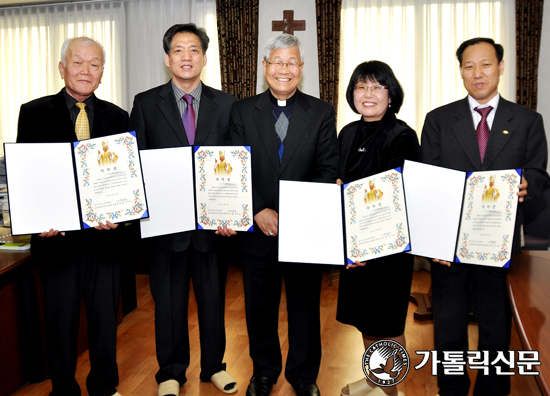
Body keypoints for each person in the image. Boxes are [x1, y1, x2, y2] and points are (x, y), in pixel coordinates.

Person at [421, 37, 550, 396]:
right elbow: (428, 184)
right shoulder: (439, 120)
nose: (477, 73)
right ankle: (452, 388)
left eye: (486, 64)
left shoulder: (527, 120)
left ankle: (494, 389)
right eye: (469, 66)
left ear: (501, 67)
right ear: (460, 71)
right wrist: (433, 239)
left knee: (496, 324)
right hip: (449, 244)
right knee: (448, 324)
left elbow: (539, 173)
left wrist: (529, 184)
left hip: (499, 241)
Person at [228, 33, 339, 396]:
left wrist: (293, 212)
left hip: (303, 230)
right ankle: (263, 373)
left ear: (302, 69)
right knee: (259, 308)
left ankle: (304, 376)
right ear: (264, 67)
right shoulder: (242, 111)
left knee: (304, 309)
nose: (284, 69)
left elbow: (327, 168)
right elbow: (235, 167)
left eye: (292, 62)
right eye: (277, 61)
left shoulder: (321, 112)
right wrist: (258, 208)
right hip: (257, 229)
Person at [129, 23, 237, 396]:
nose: (186, 56)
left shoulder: (227, 104)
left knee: (212, 301)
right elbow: (134, 164)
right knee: (169, 304)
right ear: (167, 58)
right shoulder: (146, 103)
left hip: (213, 228)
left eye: (194, 50)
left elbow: (236, 165)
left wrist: (232, 212)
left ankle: (215, 367)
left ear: (205, 58)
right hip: (165, 227)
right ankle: (171, 373)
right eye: (178, 50)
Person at [16, 37, 128, 396]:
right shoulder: (33, 113)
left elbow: (124, 180)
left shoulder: (117, 117)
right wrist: (38, 217)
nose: (85, 70)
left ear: (102, 74)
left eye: (94, 64)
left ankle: (104, 386)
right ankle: (62, 389)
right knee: (60, 322)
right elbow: (30, 175)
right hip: (57, 240)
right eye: (77, 62)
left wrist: (121, 214)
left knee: (104, 322)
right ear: (62, 68)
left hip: (104, 239)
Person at [336, 61, 419, 396]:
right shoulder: (346, 133)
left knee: (388, 323)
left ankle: (391, 390)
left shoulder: (403, 136)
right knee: (364, 319)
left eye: (376, 86)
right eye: (360, 86)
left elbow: (397, 197)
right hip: (353, 247)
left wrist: (366, 246)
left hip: (387, 250)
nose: (367, 94)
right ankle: (374, 379)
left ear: (390, 94)